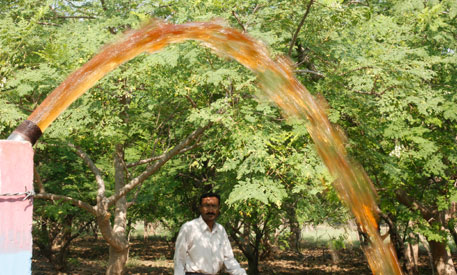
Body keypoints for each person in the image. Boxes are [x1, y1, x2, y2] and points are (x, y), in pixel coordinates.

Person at [174, 193, 247, 275]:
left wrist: (241, 273)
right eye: (206, 205)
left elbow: (228, 259)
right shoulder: (189, 228)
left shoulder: (220, 230)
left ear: (219, 208)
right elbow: (179, 260)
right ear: (200, 208)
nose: (210, 210)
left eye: (214, 206)